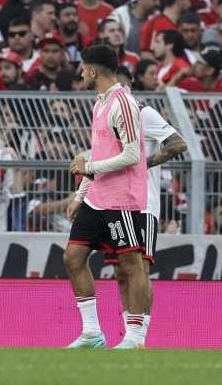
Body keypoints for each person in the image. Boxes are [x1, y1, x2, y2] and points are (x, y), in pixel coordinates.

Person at [64, 44, 151, 350]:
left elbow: (130, 155)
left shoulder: (122, 102)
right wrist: (81, 192)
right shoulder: (100, 103)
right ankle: (91, 333)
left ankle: (136, 337)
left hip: (121, 198)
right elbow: (102, 153)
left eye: (83, 67)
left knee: (130, 264)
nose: (80, 72)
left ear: (93, 70)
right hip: (97, 197)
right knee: (73, 257)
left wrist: (88, 167)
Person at [89, 102, 186, 343]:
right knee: (121, 271)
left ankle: (138, 337)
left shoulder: (143, 113)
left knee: (139, 269)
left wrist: (144, 162)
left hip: (145, 203)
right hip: (116, 203)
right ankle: (129, 337)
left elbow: (178, 143)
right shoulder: (103, 114)